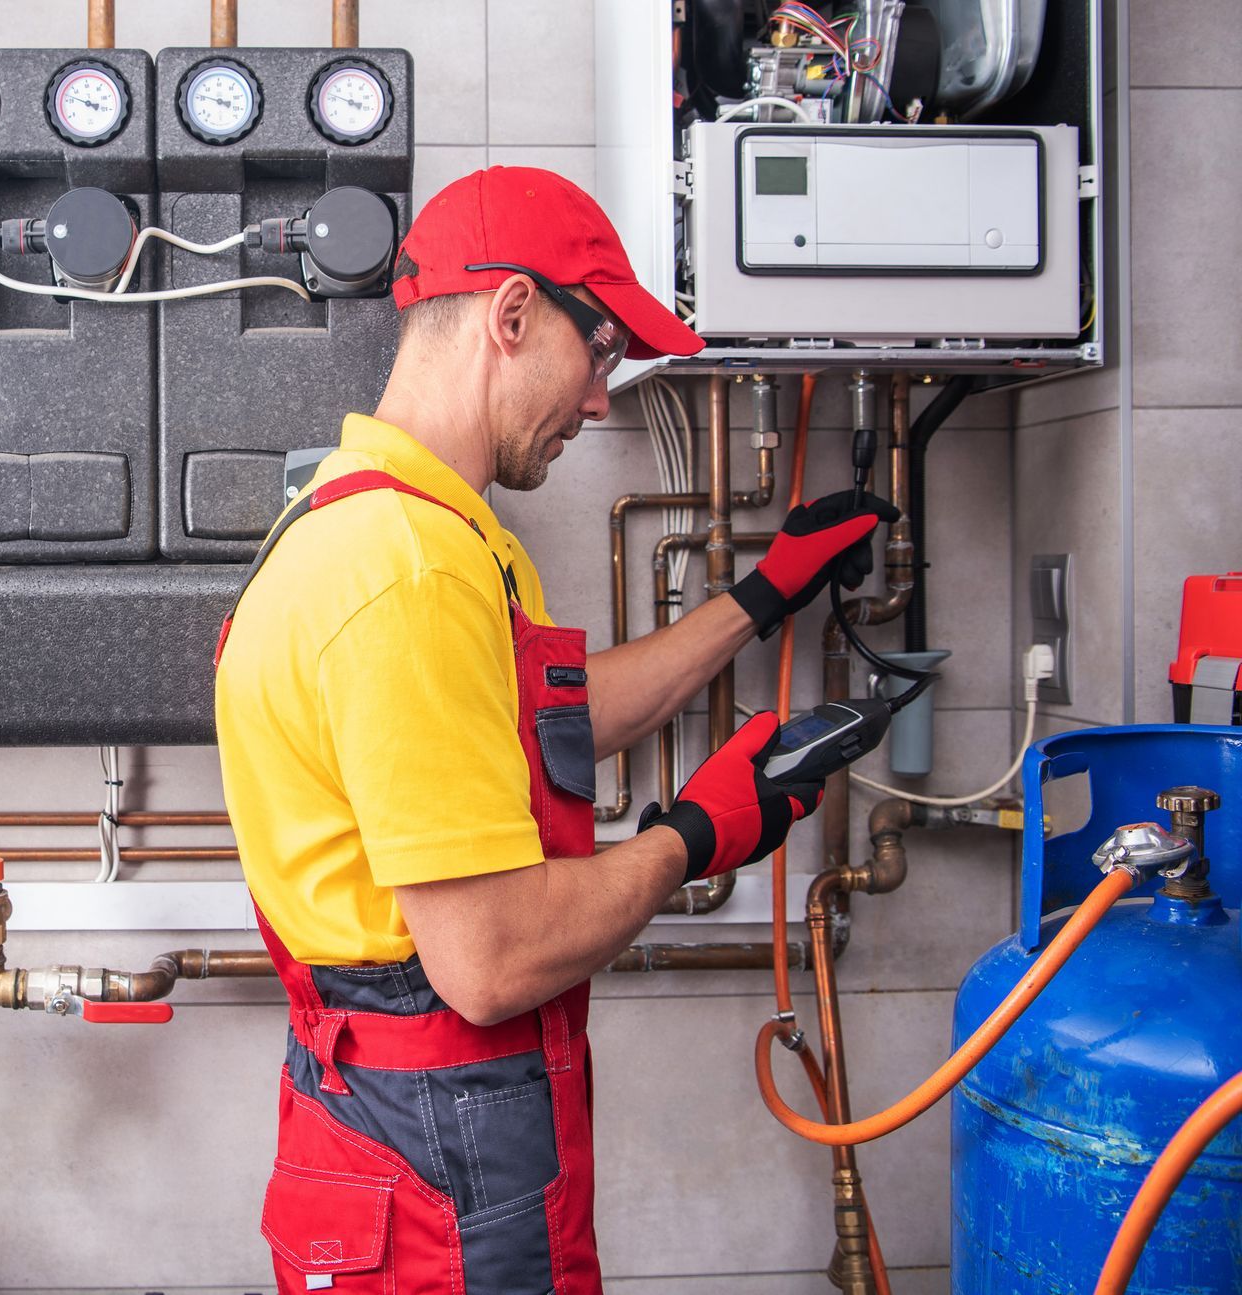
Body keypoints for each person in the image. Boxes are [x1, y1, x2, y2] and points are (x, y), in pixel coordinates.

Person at [213, 166, 897, 1293]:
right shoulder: (407, 571)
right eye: (602, 354)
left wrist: (763, 595)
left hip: (399, 1127)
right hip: (434, 1144)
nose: (600, 400)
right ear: (514, 314)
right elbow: (488, 959)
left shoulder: (394, 523)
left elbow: (551, 720)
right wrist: (697, 833)